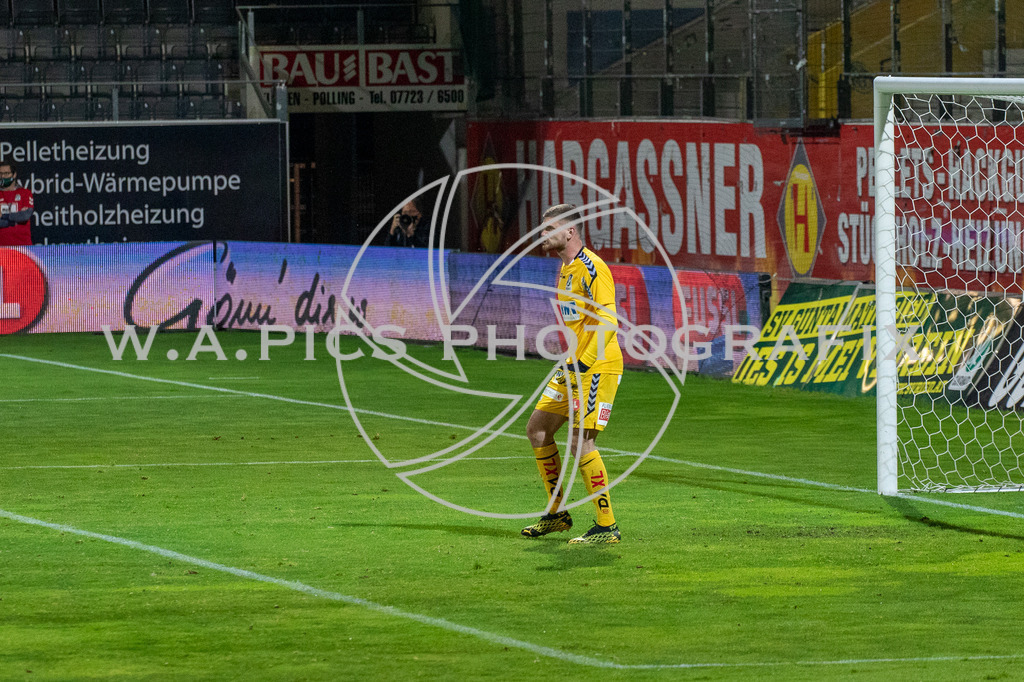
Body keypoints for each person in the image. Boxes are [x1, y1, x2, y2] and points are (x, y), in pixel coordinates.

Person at [521, 203, 624, 544]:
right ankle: (557, 514)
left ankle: (606, 526)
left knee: (582, 441)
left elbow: (609, 319)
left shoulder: (594, 268)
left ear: (570, 232)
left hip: (597, 364)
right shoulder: (565, 271)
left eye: (548, 230)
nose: (542, 236)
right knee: (537, 430)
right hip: (574, 365)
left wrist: (586, 360)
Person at [0, 160, 34, 247]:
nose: (3, 176)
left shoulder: (25, 193)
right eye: (0, 174)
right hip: (2, 248)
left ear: (14, 175)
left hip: (23, 247)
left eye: (6, 173)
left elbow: (25, 216)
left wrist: (4, 216)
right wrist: (16, 218)